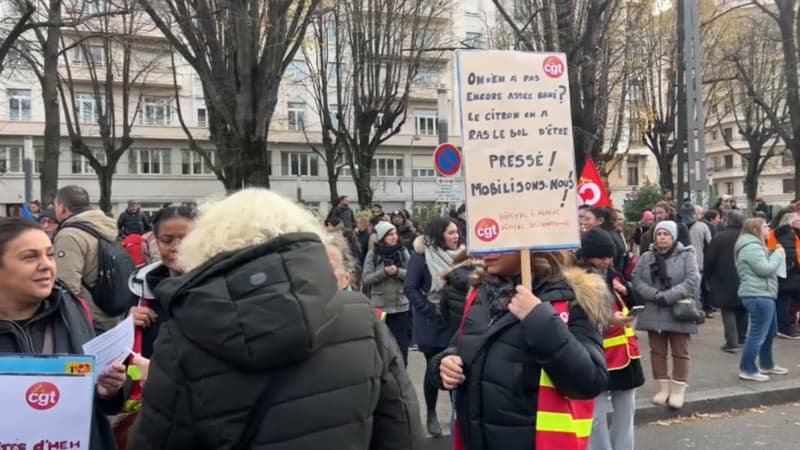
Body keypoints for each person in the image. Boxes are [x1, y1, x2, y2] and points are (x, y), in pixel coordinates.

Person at [131, 188, 424, 450]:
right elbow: (402, 431)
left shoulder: (184, 332)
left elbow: (158, 438)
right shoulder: (361, 318)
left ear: (207, 243)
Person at [433, 250, 609, 450]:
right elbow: (458, 346)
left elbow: (590, 381)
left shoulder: (573, 297)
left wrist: (538, 318)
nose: (487, 250)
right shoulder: (480, 292)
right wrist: (445, 363)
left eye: (501, 243)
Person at [0, 217, 127, 450]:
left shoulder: (74, 311)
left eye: (49, 254)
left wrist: (106, 390)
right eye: (30, 257)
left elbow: (97, 402)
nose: (47, 265)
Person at [579, 229, 644, 450]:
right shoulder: (580, 280)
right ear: (587, 256)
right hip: (596, 355)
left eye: (609, 256)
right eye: (600, 257)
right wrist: (608, 319)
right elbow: (580, 316)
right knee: (595, 415)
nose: (606, 261)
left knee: (627, 412)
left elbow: (634, 301)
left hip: (625, 353)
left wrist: (627, 290)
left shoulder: (615, 275)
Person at [404, 217, 463, 437]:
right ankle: (431, 413)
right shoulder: (421, 257)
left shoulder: (462, 257)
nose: (456, 236)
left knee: (455, 369)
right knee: (432, 369)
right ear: (440, 235)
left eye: (457, 232)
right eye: (451, 233)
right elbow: (410, 288)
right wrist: (429, 308)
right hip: (430, 322)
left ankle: (456, 414)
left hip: (455, 321)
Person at [632, 220, 701, 409]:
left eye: (666, 234)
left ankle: (678, 389)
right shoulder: (646, 257)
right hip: (653, 310)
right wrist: (653, 294)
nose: (662, 237)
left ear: (674, 237)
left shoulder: (687, 255)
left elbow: (692, 280)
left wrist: (668, 296)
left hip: (678, 310)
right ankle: (662, 387)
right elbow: (636, 279)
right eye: (659, 234)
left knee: (681, 352)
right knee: (657, 352)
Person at [53, 185, 121, 332]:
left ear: (62, 208)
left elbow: (67, 285)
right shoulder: (109, 227)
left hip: (89, 320)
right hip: (112, 312)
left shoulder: (70, 235)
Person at [735, 218, 789, 381]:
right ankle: (747, 369)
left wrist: (771, 252)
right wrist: (778, 255)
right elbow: (765, 269)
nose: (768, 229)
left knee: (769, 332)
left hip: (763, 293)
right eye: (765, 226)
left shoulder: (755, 247)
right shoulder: (751, 247)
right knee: (757, 334)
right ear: (756, 229)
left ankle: (767, 364)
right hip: (758, 294)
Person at [363, 221, 412, 363]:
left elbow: (411, 275)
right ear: (382, 237)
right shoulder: (373, 254)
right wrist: (383, 272)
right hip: (380, 308)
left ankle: (402, 374)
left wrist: (397, 272)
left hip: (400, 306)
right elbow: (366, 279)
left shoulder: (403, 252)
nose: (394, 237)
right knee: (381, 346)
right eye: (390, 234)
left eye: (395, 233)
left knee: (401, 347)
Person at [704, 212, 747, 353]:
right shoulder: (747, 237)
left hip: (723, 278)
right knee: (742, 307)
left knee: (727, 309)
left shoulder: (719, 237)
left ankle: (732, 342)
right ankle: (742, 338)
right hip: (744, 277)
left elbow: (710, 259)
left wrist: (707, 276)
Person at [767, 212, 800, 339]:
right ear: (791, 223)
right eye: (798, 221)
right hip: (791, 274)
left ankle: (780, 326)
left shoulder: (774, 234)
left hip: (780, 272)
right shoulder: (792, 235)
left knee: (782, 301)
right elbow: (794, 255)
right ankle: (784, 327)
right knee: (786, 302)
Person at [580, 207, 627, 274]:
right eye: (582, 218)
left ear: (600, 221)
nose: (583, 222)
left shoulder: (605, 239)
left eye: (587, 219)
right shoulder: (609, 235)